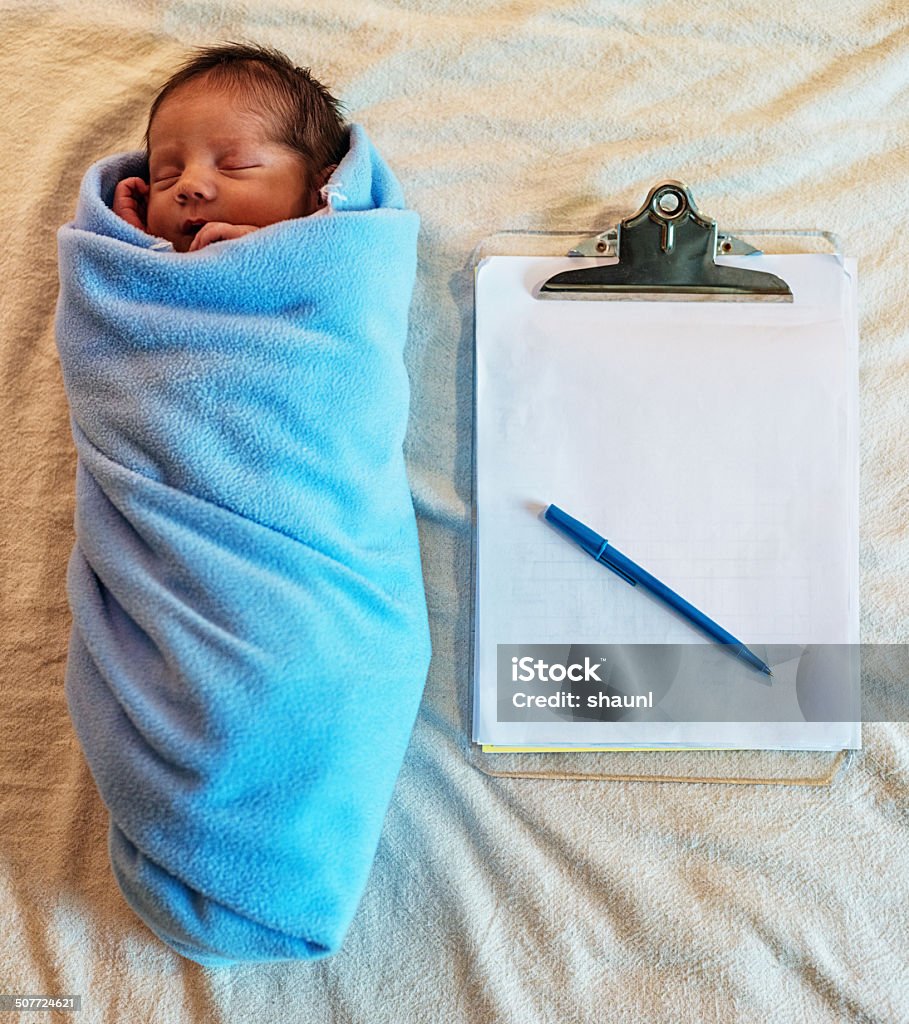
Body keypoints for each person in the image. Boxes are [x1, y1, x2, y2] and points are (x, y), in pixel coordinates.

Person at [113, 42, 348, 252]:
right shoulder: (133, 247)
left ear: (321, 191)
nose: (188, 184)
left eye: (233, 166)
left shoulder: (340, 257)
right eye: (167, 176)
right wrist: (129, 243)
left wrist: (267, 255)